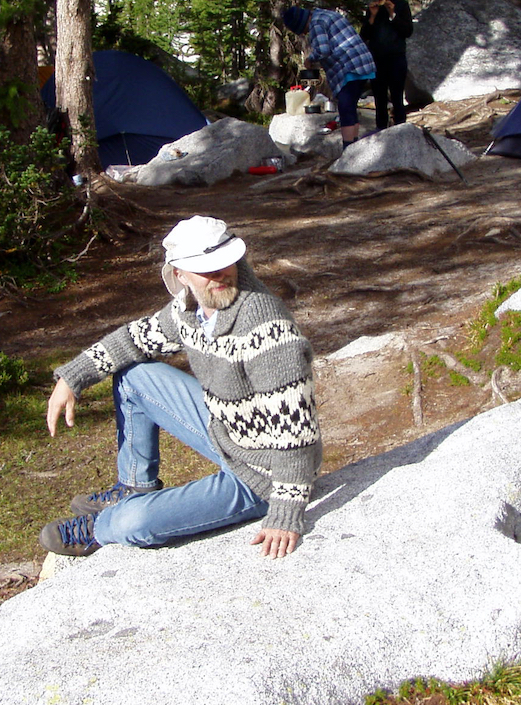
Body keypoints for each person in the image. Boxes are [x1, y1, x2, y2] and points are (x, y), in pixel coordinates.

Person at [41, 215, 321, 560]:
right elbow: (135, 338)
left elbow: (297, 432)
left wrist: (286, 512)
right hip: (227, 431)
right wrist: (73, 376)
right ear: (180, 275)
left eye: (225, 263)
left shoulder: (266, 327)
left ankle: (102, 526)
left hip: (264, 474)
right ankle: (135, 485)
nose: (219, 275)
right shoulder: (190, 309)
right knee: (134, 377)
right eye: (205, 269)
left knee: (133, 523)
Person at [281, 5, 376, 148]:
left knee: (345, 109)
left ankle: (348, 150)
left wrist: (310, 59)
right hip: (363, 62)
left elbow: (323, 50)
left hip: (349, 67)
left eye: (302, 30)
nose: (305, 33)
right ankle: (356, 148)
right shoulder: (327, 15)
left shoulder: (316, 23)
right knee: (350, 108)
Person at [360, 0, 414, 132]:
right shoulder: (373, 8)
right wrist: (372, 17)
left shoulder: (402, 6)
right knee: (380, 98)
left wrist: (393, 14)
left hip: (396, 58)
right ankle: (381, 129)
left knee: (397, 97)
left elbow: (408, 31)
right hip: (377, 59)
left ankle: (401, 129)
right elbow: (364, 35)